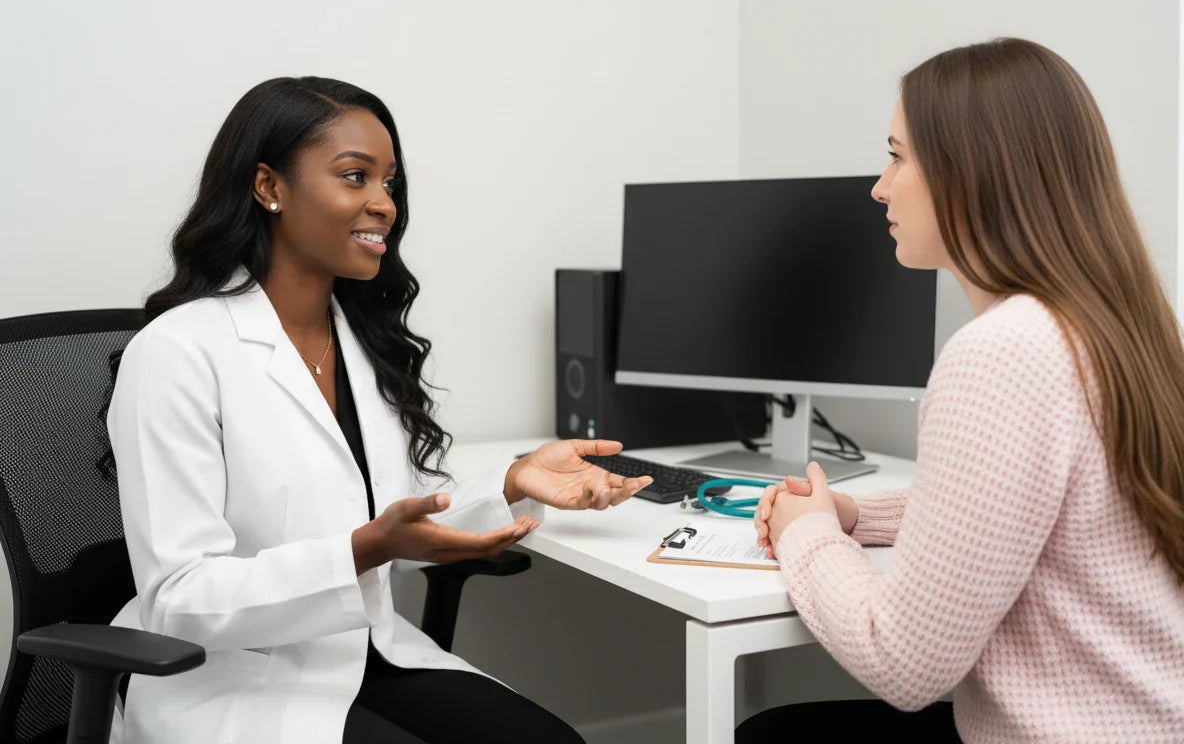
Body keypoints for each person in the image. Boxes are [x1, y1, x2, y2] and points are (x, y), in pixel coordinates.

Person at [105, 76, 653, 744]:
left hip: (368, 652)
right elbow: (180, 602)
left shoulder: (360, 340)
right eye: (355, 177)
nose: (383, 205)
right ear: (269, 187)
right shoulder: (178, 354)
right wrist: (363, 549)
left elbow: (401, 513)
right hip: (229, 682)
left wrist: (514, 481)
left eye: (388, 182)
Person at [742, 38, 1184, 743]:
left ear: (971, 174)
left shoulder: (1000, 355)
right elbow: (1026, 505)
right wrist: (857, 515)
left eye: (897, 155)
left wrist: (809, 534)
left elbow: (902, 663)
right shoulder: (1114, 330)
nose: (879, 187)